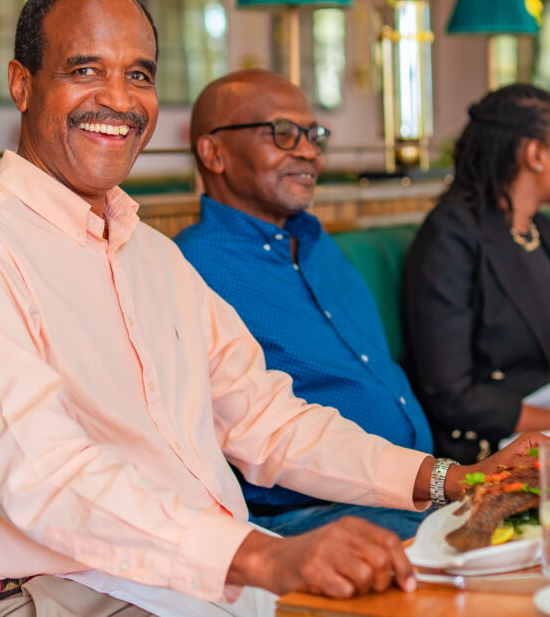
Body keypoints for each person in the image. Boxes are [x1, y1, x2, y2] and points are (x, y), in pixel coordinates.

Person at [0, 0, 548, 616]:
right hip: (72, 593)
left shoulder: (155, 257)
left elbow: (268, 421)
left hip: (211, 581)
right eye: (85, 70)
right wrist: (261, 557)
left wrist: (457, 478)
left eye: (139, 75)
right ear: (22, 83)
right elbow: (41, 476)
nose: (118, 99)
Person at [175, 69, 432, 540]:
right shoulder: (190, 268)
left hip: (413, 488)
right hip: (307, 516)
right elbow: (251, 431)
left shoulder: (316, 243)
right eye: (283, 133)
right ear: (214, 153)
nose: (310, 152)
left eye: (313, 135)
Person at [401, 84, 550, 464]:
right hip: (500, 446)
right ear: (535, 154)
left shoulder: (544, 232)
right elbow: (452, 396)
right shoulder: (449, 238)